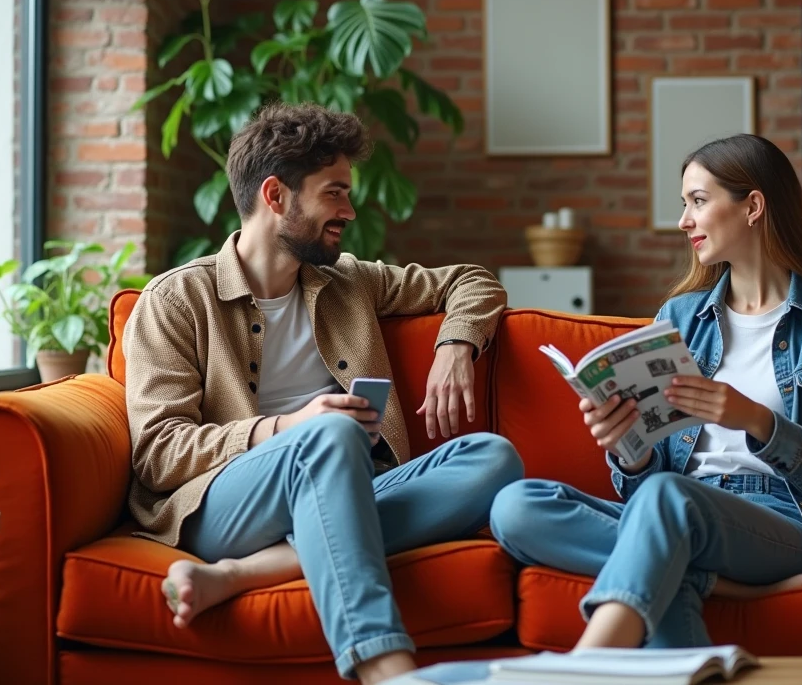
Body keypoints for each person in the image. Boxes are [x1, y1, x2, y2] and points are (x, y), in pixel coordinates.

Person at [122, 101, 524, 685]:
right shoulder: (177, 300)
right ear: (275, 195)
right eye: (334, 193)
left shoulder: (349, 282)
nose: (350, 211)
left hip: (345, 486)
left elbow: (471, 281)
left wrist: (455, 346)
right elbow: (159, 453)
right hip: (218, 504)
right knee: (331, 434)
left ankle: (239, 575)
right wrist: (289, 427)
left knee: (493, 458)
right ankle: (384, 668)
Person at [489, 133, 802, 650]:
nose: (683, 221)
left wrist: (758, 421)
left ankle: (589, 663)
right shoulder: (679, 318)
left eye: (698, 201)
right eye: (685, 204)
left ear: (753, 207)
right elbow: (647, 482)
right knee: (515, 507)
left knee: (668, 498)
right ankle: (715, 584)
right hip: (673, 510)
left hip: (783, 518)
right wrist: (628, 449)